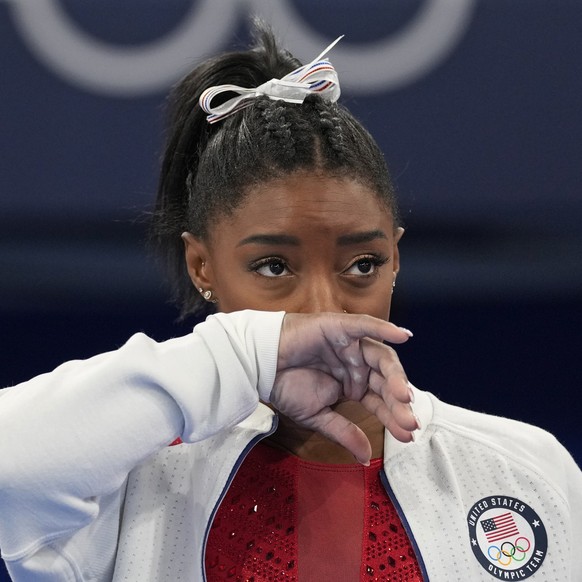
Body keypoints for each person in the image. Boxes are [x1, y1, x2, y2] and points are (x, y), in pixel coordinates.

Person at [0, 22, 581, 582]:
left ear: (396, 260)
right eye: (274, 267)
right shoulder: (131, 477)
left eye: (362, 265)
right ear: (201, 265)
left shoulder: (525, 471)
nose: (326, 309)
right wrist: (236, 357)